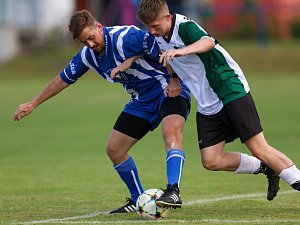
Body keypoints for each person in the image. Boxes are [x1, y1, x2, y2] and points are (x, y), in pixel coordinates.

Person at [14, 9, 191, 212]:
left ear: (99, 26)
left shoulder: (125, 37)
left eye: (90, 37)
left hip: (168, 88)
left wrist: (168, 76)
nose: (90, 44)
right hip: (142, 101)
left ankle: (173, 190)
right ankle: (137, 200)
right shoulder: (88, 56)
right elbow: (63, 79)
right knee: (115, 149)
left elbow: (162, 44)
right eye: (84, 42)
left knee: (171, 135)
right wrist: (33, 103)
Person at [136, 0, 300, 201]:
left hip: (227, 87)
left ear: (167, 17)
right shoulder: (160, 35)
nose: (152, 31)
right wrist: (173, 79)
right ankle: (265, 167)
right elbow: (167, 56)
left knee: (259, 148)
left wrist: (182, 51)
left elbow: (208, 42)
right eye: (148, 27)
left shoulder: (185, 27)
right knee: (211, 160)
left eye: (155, 26)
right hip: (207, 102)